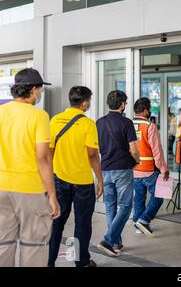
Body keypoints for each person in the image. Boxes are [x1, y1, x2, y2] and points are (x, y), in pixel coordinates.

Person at [0, 68, 60, 267]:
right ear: (33, 89)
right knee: (34, 246)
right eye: (40, 90)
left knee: (3, 245)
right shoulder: (39, 116)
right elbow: (43, 158)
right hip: (30, 190)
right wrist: (52, 195)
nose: (41, 93)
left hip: (1, 187)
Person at [47, 86, 103, 267]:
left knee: (56, 223)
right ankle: (81, 262)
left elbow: (50, 152)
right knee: (82, 224)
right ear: (85, 102)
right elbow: (93, 154)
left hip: (59, 179)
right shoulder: (88, 124)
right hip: (82, 183)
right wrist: (100, 179)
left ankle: (49, 262)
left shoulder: (55, 120)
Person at [96, 90, 140, 257]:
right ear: (122, 104)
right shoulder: (126, 123)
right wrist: (137, 160)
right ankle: (108, 240)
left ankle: (116, 243)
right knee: (126, 206)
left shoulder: (99, 122)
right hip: (122, 169)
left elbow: (97, 147)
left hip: (105, 168)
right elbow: (134, 149)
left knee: (110, 207)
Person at [133, 98, 170, 236]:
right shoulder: (150, 126)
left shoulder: (128, 124)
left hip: (133, 170)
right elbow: (157, 150)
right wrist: (163, 168)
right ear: (145, 111)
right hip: (148, 169)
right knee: (159, 195)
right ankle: (144, 220)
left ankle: (137, 224)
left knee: (139, 198)